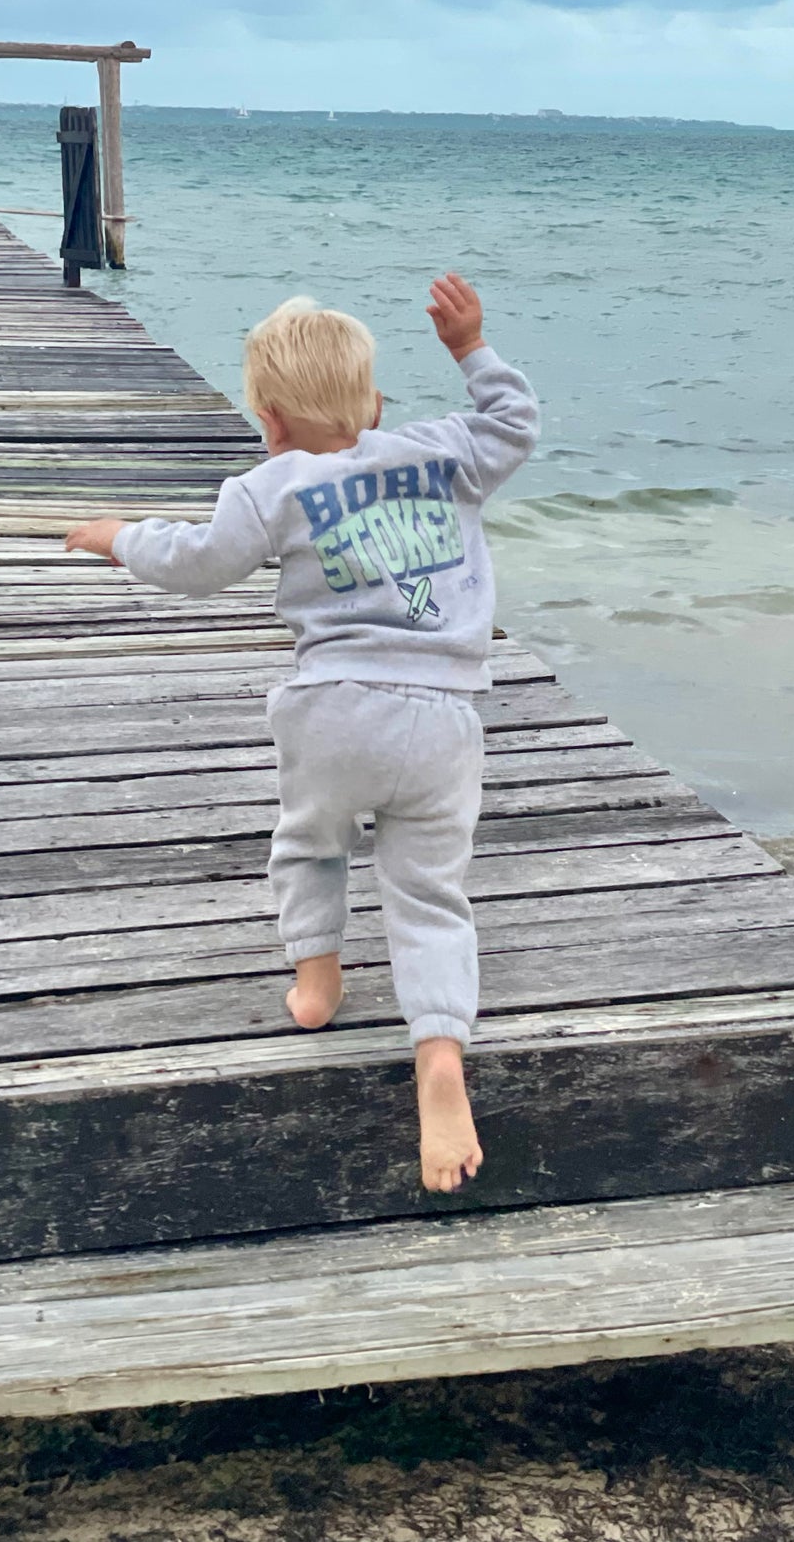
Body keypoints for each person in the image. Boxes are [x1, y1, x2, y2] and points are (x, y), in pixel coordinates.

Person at [64, 274, 539, 1192]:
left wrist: (120, 534)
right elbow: (514, 422)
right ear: (371, 401)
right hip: (443, 717)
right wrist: (470, 349)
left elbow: (195, 563)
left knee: (310, 844)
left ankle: (317, 982)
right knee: (431, 893)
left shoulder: (265, 485)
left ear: (268, 419)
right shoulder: (443, 452)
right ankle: (439, 1052)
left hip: (329, 711)